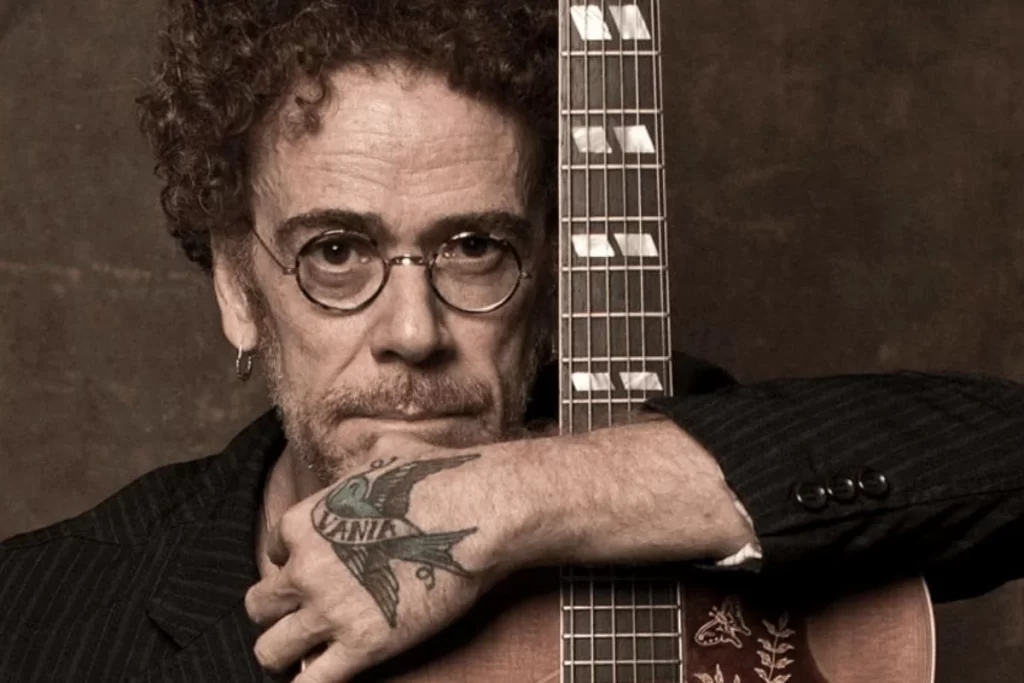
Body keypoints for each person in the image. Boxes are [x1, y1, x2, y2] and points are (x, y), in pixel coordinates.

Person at [2, 1, 1023, 682]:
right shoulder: (40, 617)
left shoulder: (690, 467)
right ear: (237, 285)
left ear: (554, 270)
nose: (414, 333)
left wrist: (500, 504)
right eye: (337, 253)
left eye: (475, 248)